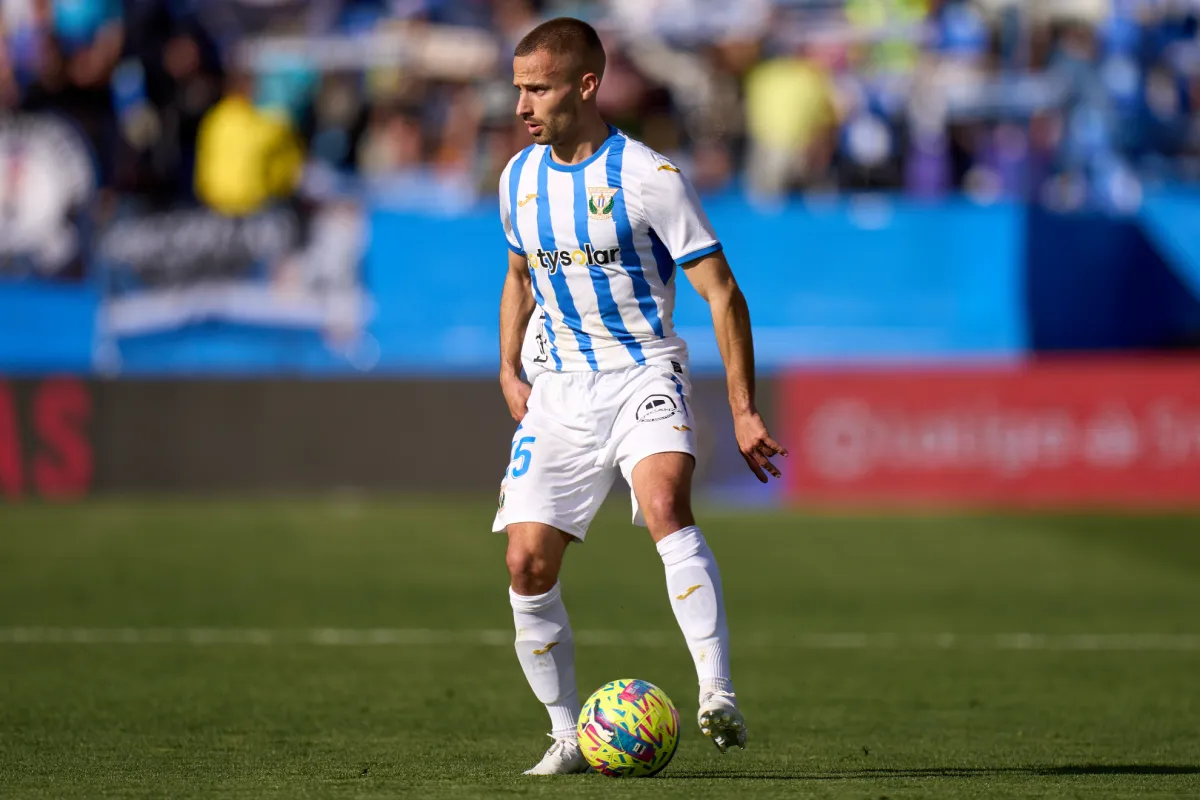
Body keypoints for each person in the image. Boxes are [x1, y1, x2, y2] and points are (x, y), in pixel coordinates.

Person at [493, 17, 786, 776]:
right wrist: (507, 369)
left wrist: (744, 408)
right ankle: (565, 734)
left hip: (642, 374)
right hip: (558, 389)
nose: (522, 104)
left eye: (539, 87)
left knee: (664, 506)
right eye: (518, 87)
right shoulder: (518, 178)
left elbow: (722, 294)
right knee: (526, 564)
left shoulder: (649, 178)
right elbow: (520, 275)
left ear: (586, 86)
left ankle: (716, 693)